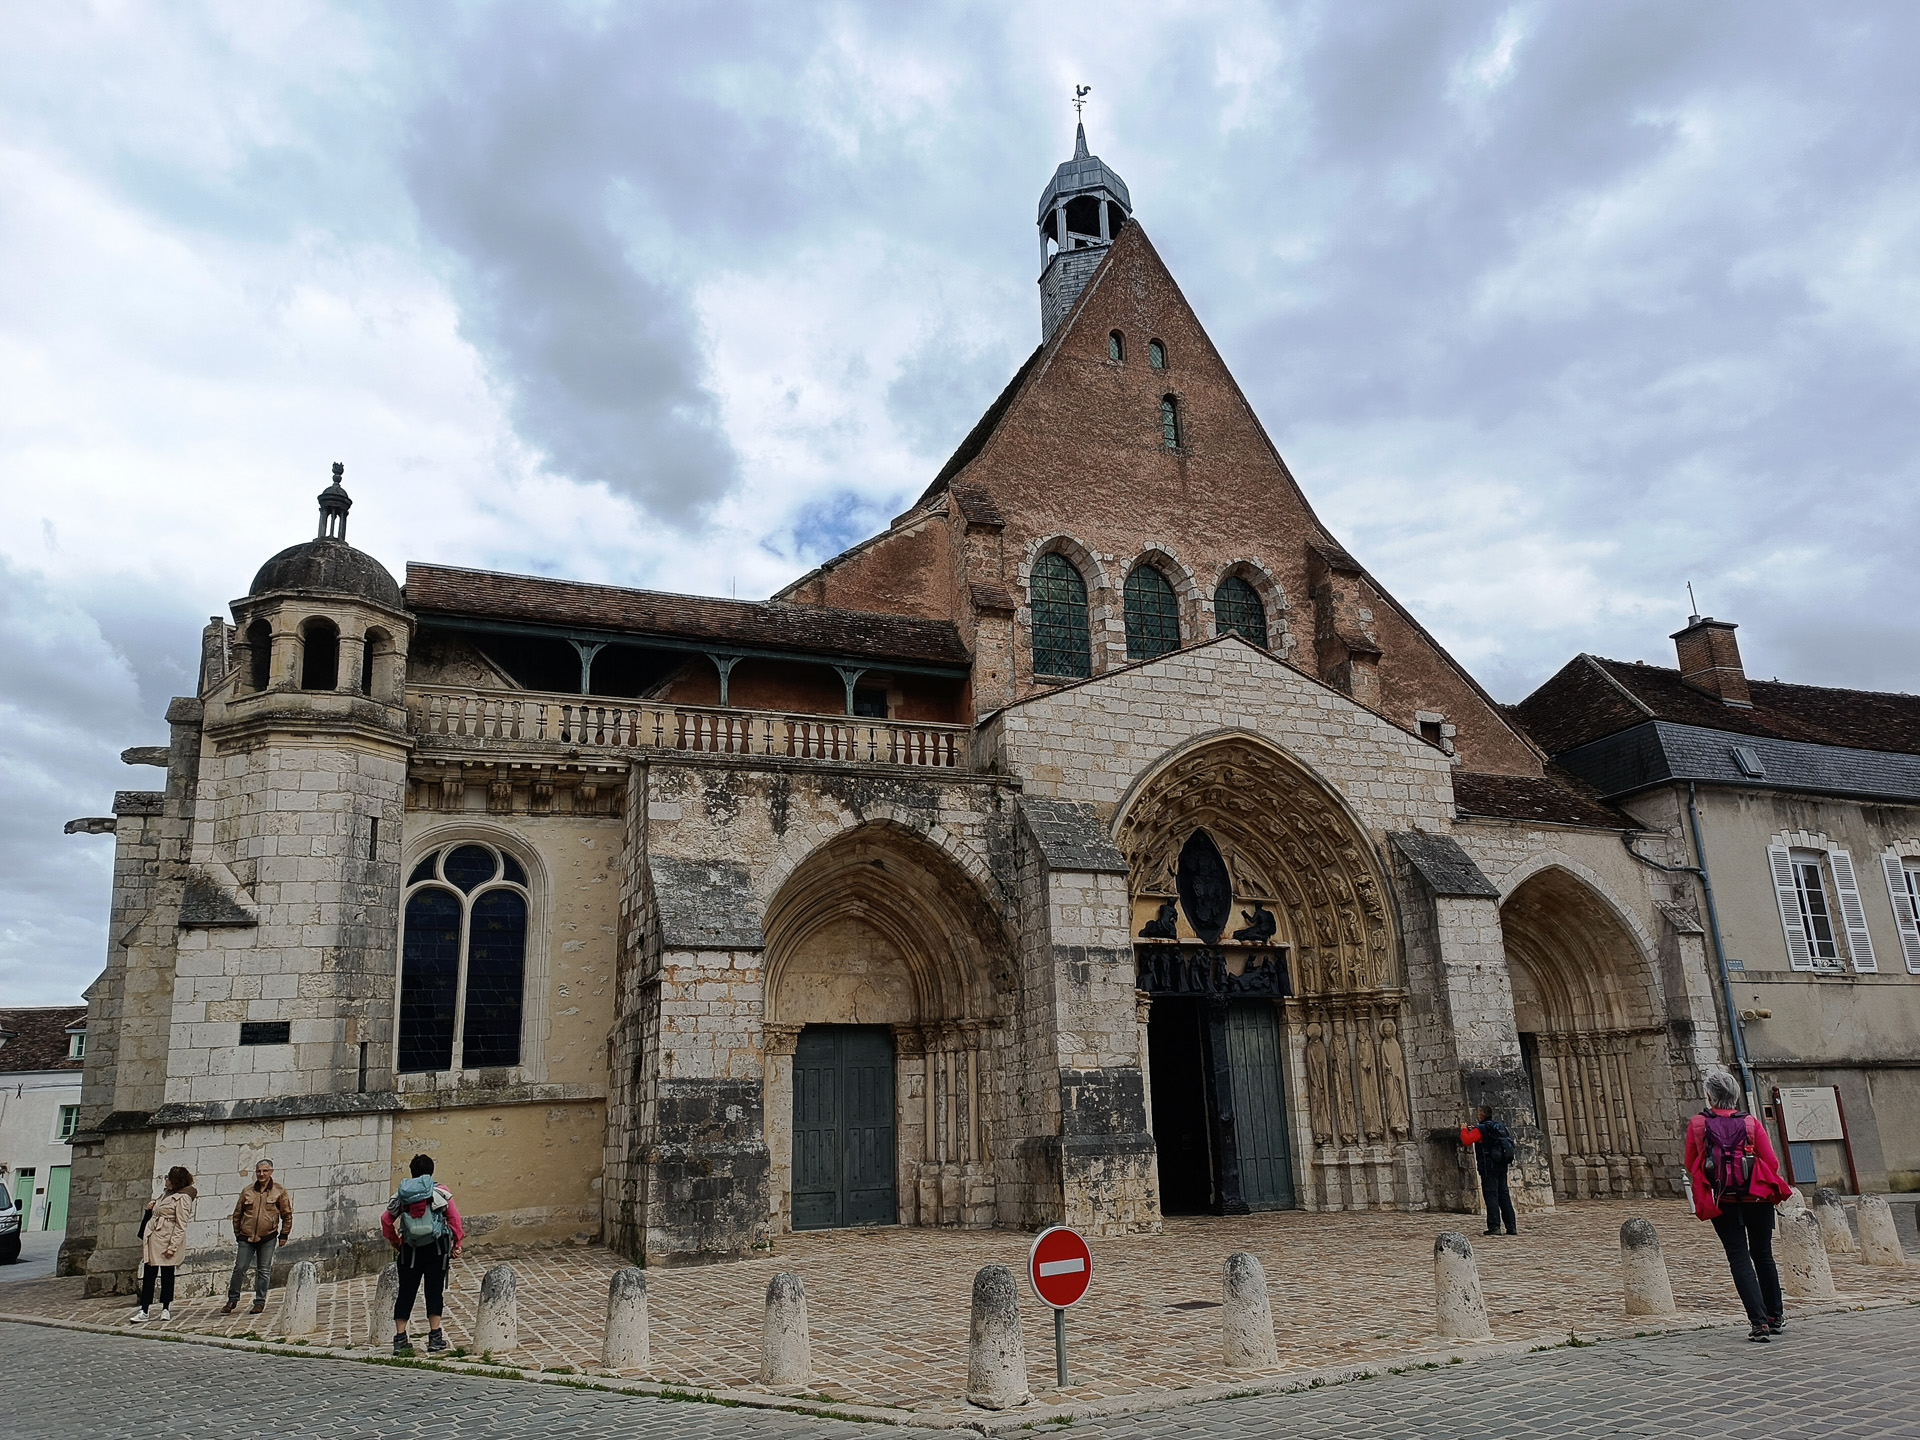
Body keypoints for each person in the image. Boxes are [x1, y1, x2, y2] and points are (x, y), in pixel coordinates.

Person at [1685, 1067, 1794, 1342]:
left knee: (1739, 1256)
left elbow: (1691, 1162)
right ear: (1734, 1095)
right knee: (1763, 1254)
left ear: (1710, 1096)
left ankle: (1758, 1323)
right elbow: (1771, 1162)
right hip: (1757, 1196)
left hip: (1723, 1197)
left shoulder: (1699, 1124)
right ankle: (1775, 1315)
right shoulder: (1750, 1123)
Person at [381, 1154, 464, 1354]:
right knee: (434, 1291)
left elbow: (386, 1220)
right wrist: (457, 1243)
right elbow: (454, 1219)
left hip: (410, 1251)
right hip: (436, 1249)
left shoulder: (402, 1195)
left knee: (406, 1292)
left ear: (412, 1172)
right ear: (431, 1171)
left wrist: (397, 1243)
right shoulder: (441, 1191)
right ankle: (435, 1338)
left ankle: (400, 1339)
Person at [224, 1158, 293, 1315]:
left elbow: (287, 1214)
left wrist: (284, 1234)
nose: (261, 1174)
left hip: (268, 1237)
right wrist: (238, 1233)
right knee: (239, 1268)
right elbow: (237, 1214)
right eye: (259, 1171)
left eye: (265, 1171)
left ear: (271, 1172)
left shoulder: (279, 1191)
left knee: (263, 1270)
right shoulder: (247, 1191)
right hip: (246, 1236)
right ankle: (232, 1300)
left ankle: (259, 1301)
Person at [130, 1166, 196, 1323]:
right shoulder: (166, 1194)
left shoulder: (183, 1197)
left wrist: (172, 1247)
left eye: (169, 1179)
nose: (166, 1181)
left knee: (167, 1275)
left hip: (167, 1239)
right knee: (149, 1274)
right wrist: (151, 1209)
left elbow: (181, 1225)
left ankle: (166, 1308)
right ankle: (144, 1310)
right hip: (154, 1238)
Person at [1460, 1104, 1518, 1236]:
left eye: (1477, 1113)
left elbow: (1467, 1140)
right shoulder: (1498, 1127)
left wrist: (1463, 1130)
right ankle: (1511, 1227)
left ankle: (1494, 1226)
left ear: (1481, 1115)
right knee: (1504, 1195)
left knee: (1491, 1195)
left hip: (1488, 1166)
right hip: (1501, 1164)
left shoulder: (1481, 1129)